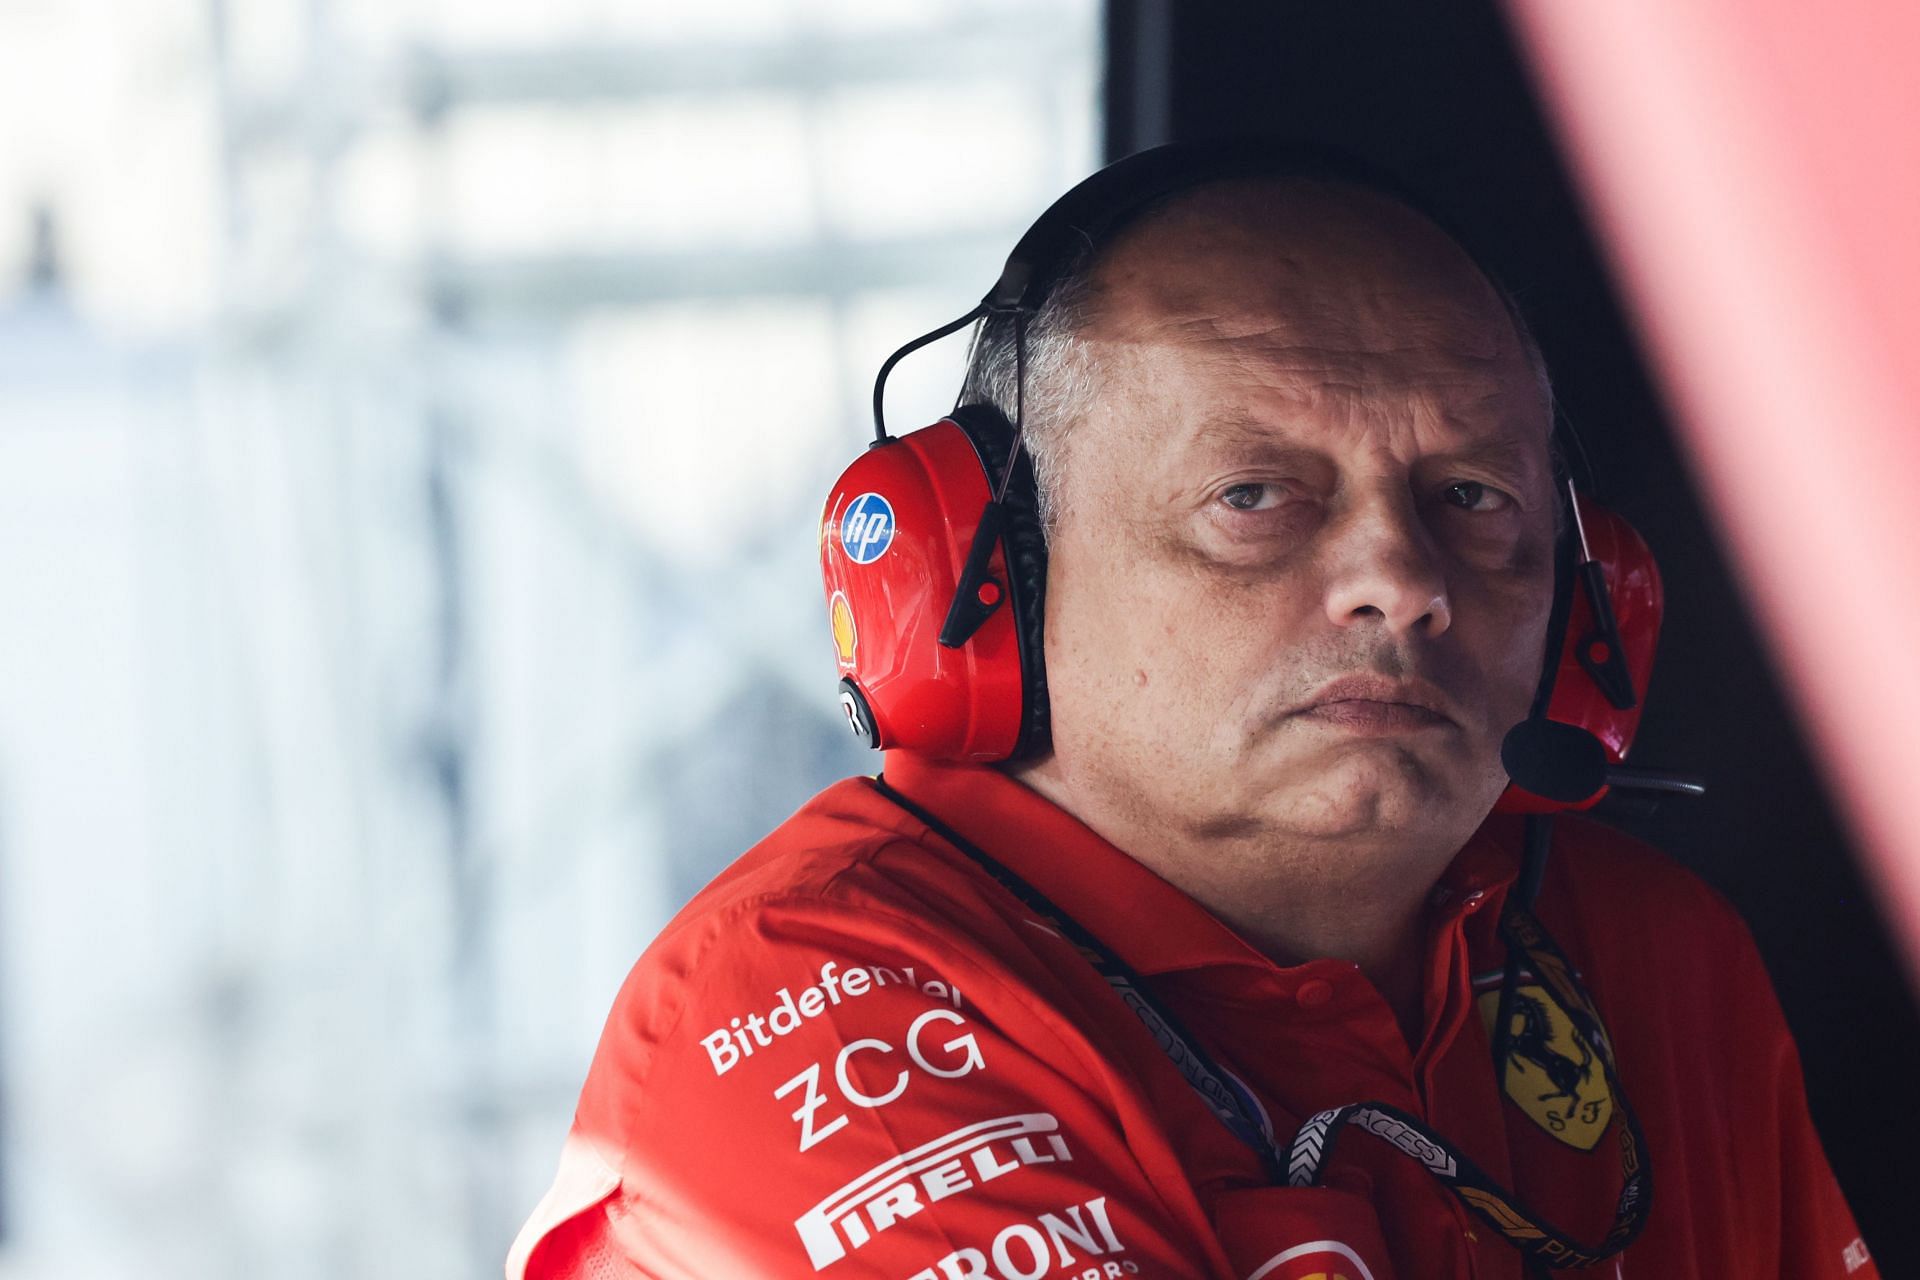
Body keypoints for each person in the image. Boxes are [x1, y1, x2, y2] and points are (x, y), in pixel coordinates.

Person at [506, 147, 1875, 1279]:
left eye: (1473, 500)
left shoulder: (1648, 951)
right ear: (985, 570)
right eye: (1254, 498)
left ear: (1593, 601)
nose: (1400, 581)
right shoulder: (819, 1010)